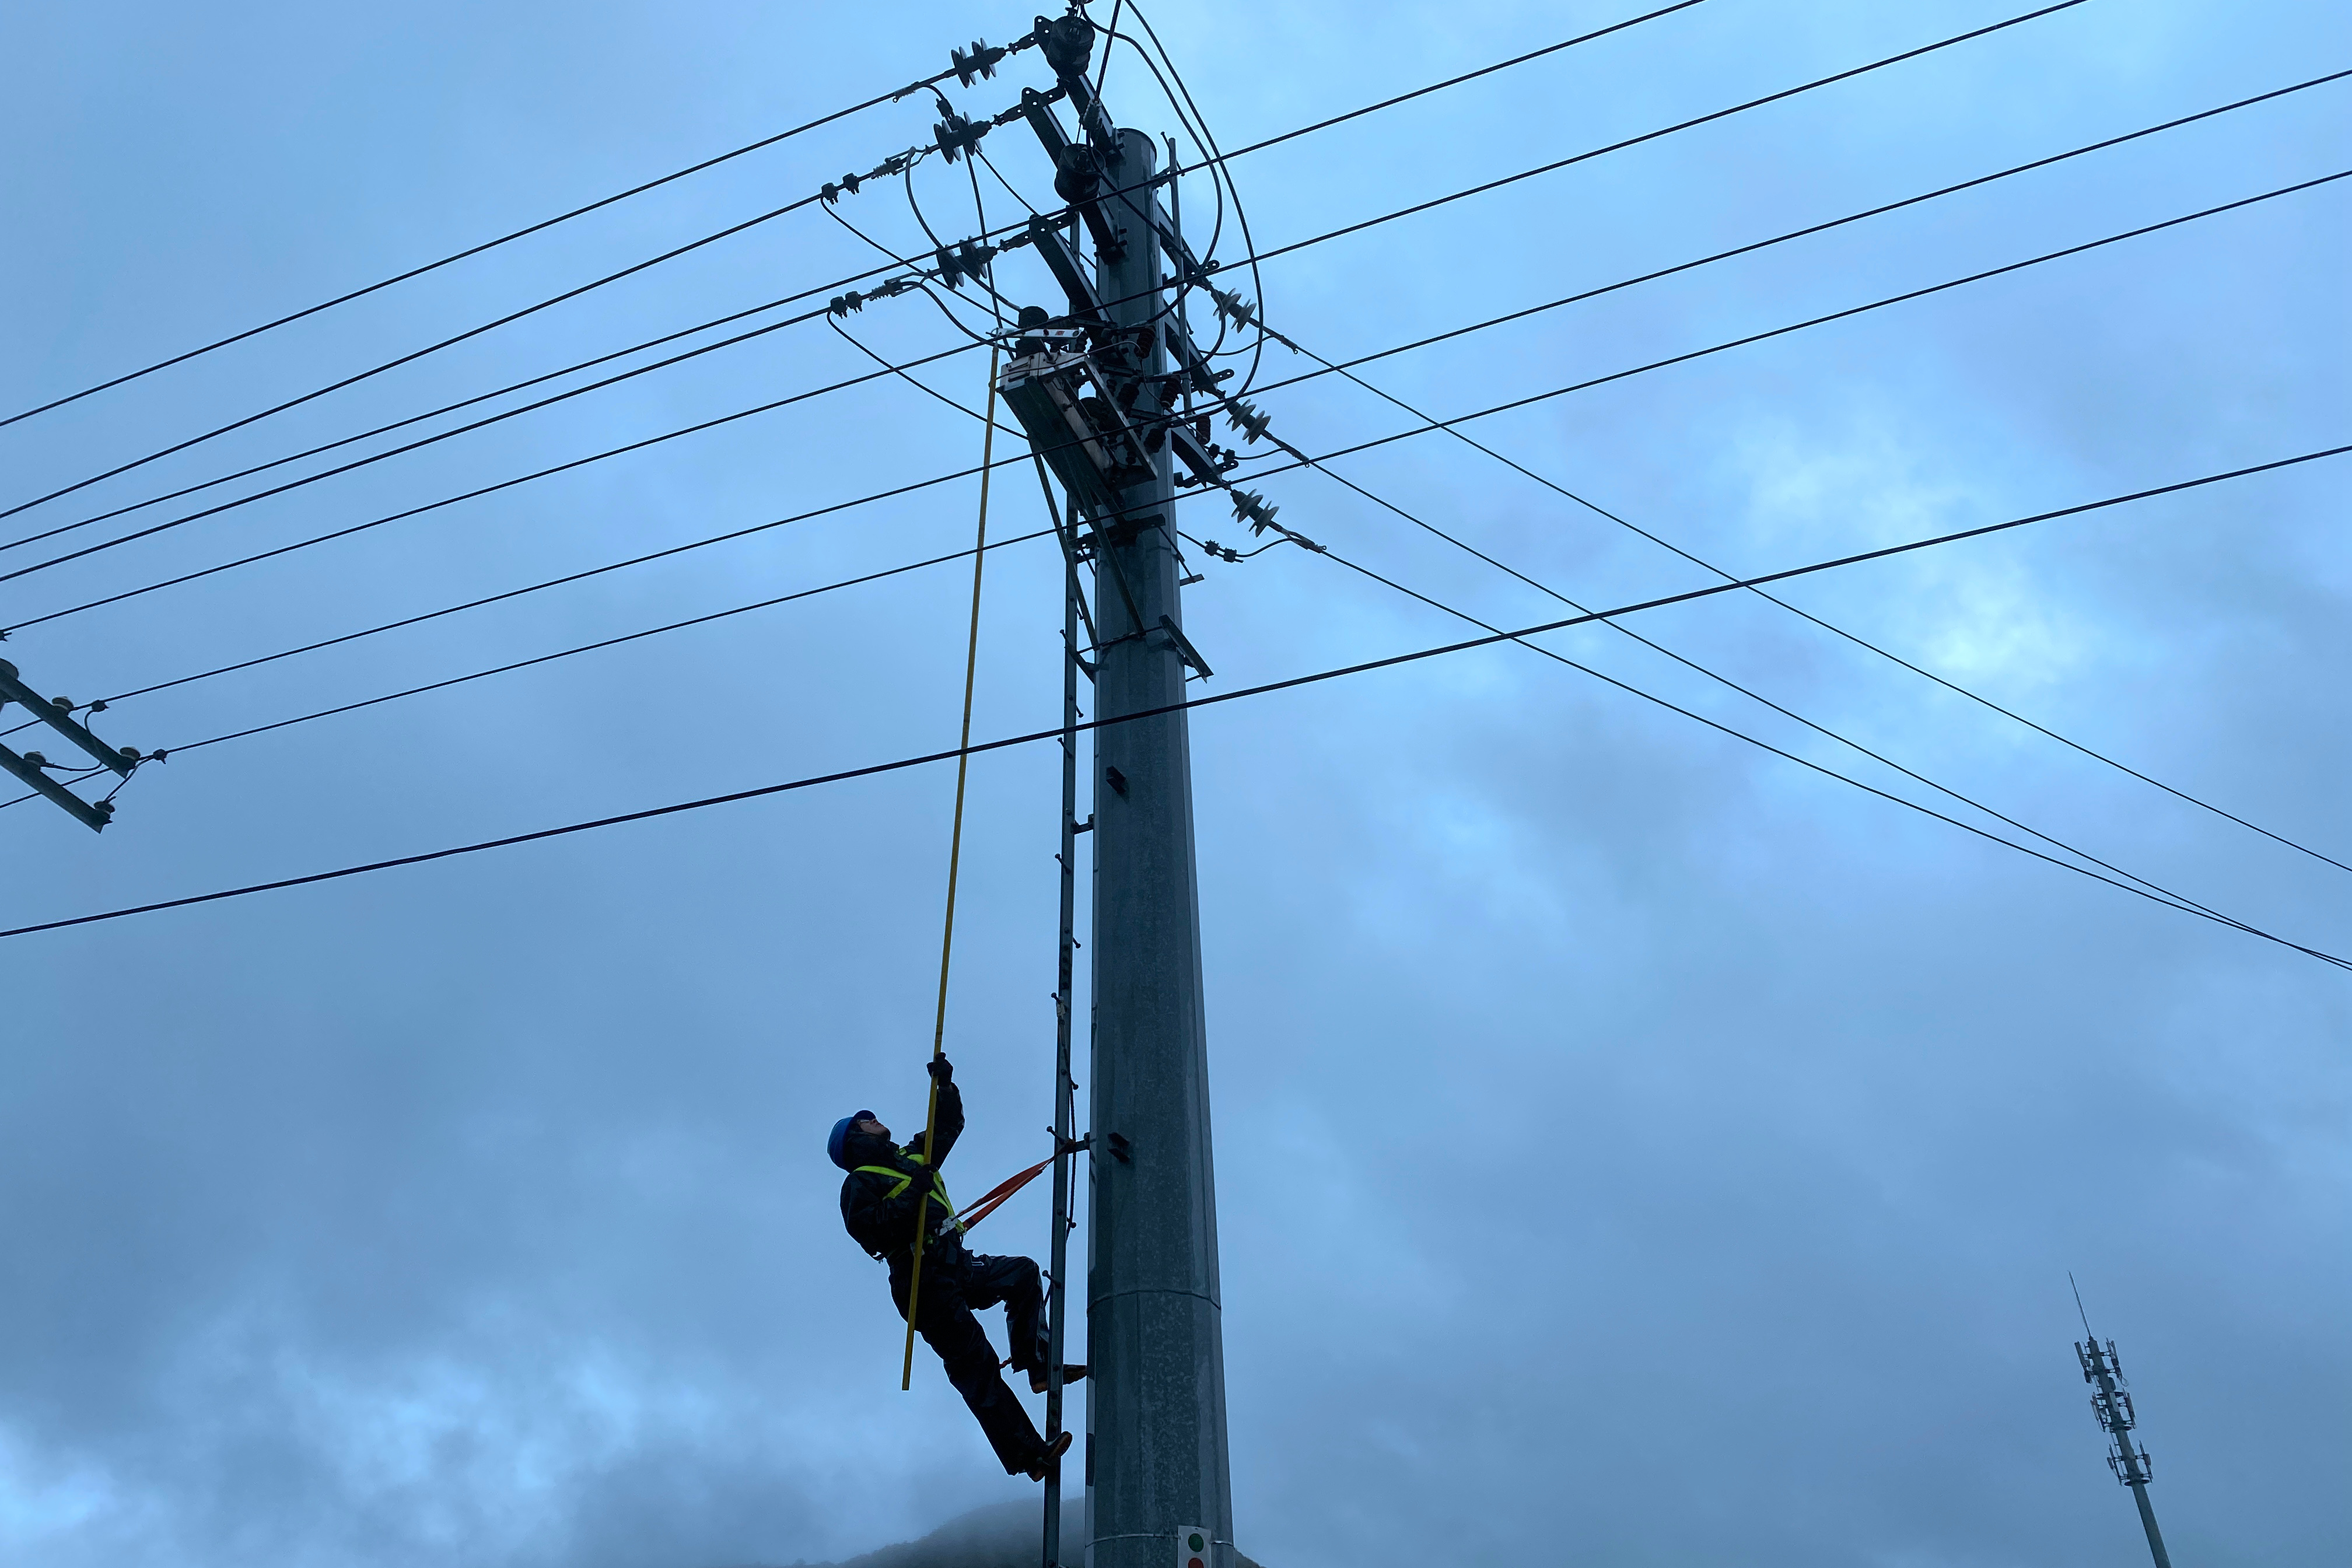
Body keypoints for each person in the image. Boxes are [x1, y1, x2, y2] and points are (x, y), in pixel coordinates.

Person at [830, 1056, 1084, 1480]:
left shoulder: (911, 1159)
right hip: (921, 1282)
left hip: (954, 1263)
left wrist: (944, 1087)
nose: (876, 1120)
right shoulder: (859, 1182)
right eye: (867, 1120)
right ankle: (1029, 1456)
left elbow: (946, 1128)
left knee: (1021, 1273)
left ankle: (1036, 1363)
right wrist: (915, 1195)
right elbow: (870, 1231)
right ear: (855, 1136)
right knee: (976, 1366)